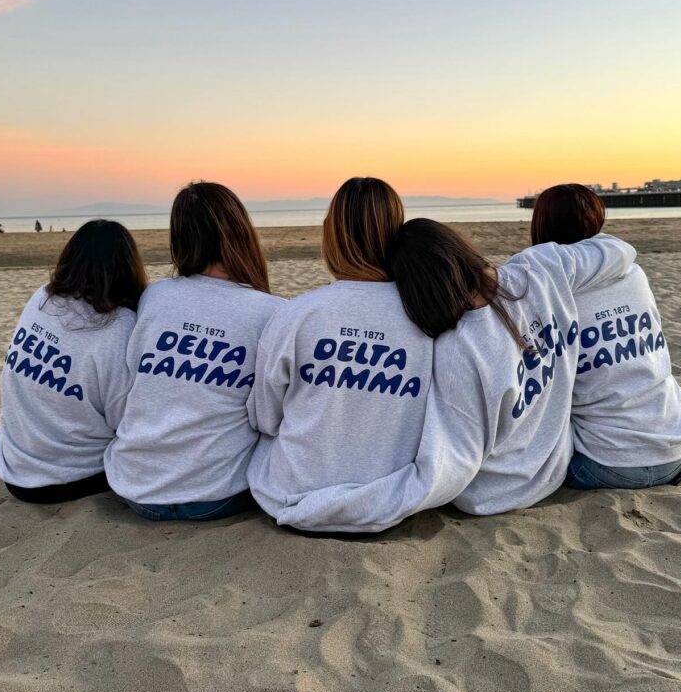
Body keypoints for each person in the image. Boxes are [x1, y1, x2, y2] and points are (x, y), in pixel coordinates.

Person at [275, 219, 638, 532]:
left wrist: (322, 506)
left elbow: (445, 470)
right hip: (555, 464)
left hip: (496, 490)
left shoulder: (457, 350)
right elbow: (618, 249)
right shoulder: (539, 270)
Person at [246, 177, 436, 530]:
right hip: (389, 496)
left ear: (331, 233)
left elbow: (265, 418)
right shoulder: (428, 317)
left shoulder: (297, 314)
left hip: (295, 492)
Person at [104, 182, 283, 522]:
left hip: (134, 486)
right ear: (242, 233)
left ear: (180, 239)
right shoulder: (272, 312)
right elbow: (271, 415)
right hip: (215, 494)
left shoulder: (155, 296)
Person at [531, 184, 681, 489]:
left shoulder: (545, 287)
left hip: (607, 465)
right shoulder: (633, 273)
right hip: (677, 450)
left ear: (542, 224)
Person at [0, 220, 147, 503]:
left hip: (13, 463)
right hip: (68, 478)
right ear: (128, 268)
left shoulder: (43, 296)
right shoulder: (120, 326)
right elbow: (125, 421)